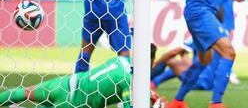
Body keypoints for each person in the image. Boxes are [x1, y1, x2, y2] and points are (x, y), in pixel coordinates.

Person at [0, 44, 166, 108]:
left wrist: (149, 95)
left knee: (25, 92)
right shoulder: (130, 81)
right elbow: (126, 106)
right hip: (75, 104)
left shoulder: (123, 59)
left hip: (67, 83)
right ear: (150, 63)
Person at [151, 39, 220, 91]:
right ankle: (154, 81)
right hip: (211, 84)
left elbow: (173, 52)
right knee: (182, 63)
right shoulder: (219, 39)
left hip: (198, 81)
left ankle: (151, 80)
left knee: (169, 60)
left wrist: (155, 63)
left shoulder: (198, 38)